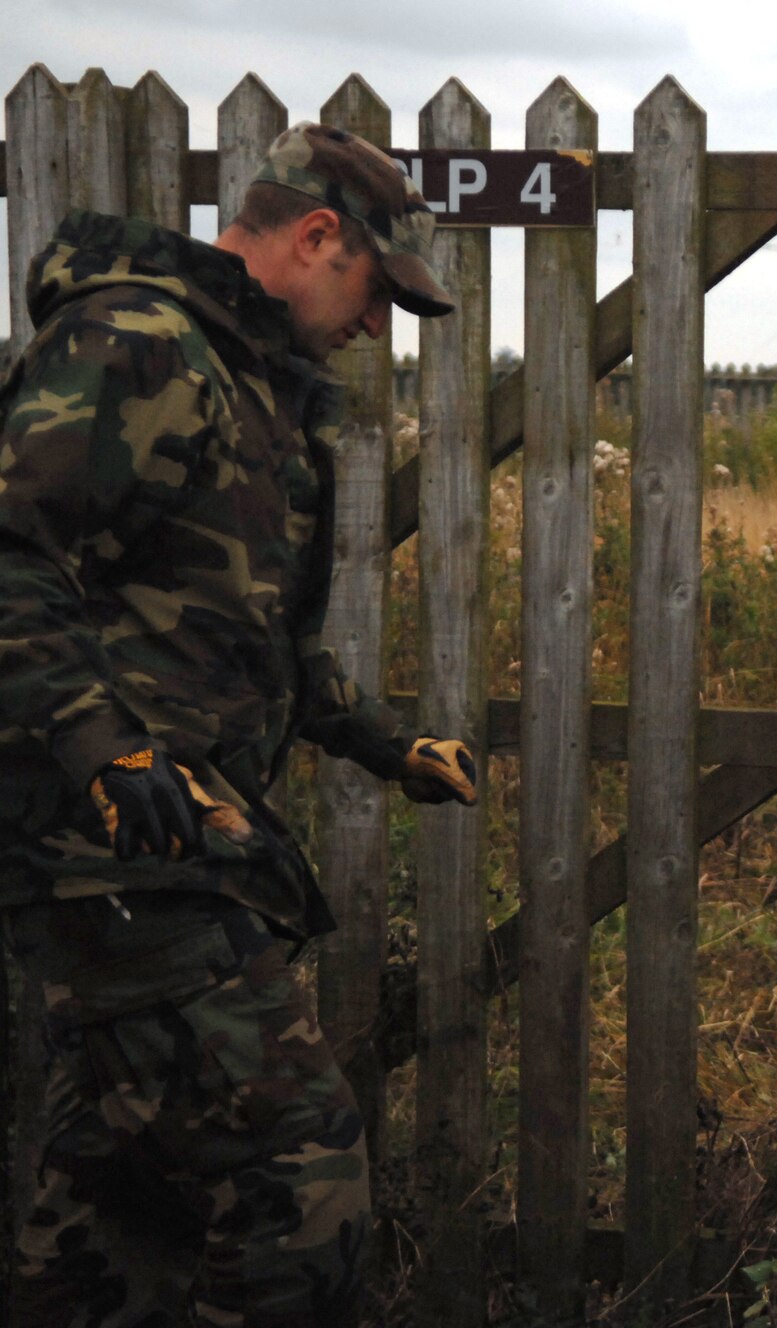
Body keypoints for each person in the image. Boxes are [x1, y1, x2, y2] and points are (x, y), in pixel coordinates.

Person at [0, 123, 479, 1326]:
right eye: (377, 291)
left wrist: (383, 742)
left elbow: (248, 638)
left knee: (113, 1214)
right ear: (318, 236)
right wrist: (105, 745)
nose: (377, 328)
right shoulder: (136, 345)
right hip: (123, 854)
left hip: (161, 855)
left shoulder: (235, 378)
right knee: (299, 1183)